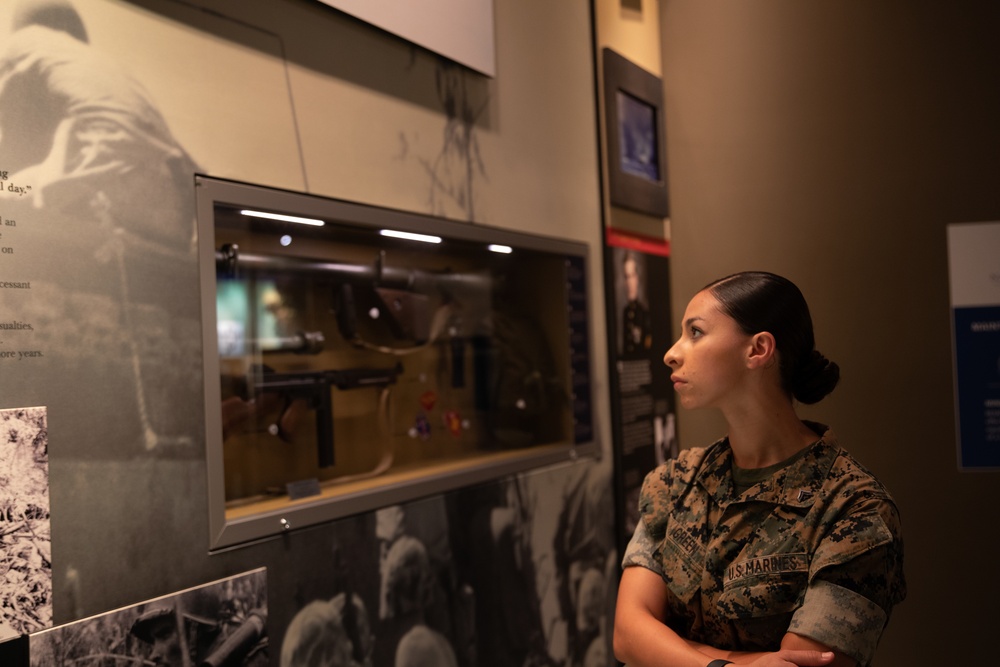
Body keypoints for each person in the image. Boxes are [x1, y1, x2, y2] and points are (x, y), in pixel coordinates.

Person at [613, 271, 905, 667]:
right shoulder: (674, 481)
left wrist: (667, 648)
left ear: (758, 349)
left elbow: (801, 665)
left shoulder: (853, 508)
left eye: (695, 332)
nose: (672, 353)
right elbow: (628, 635)